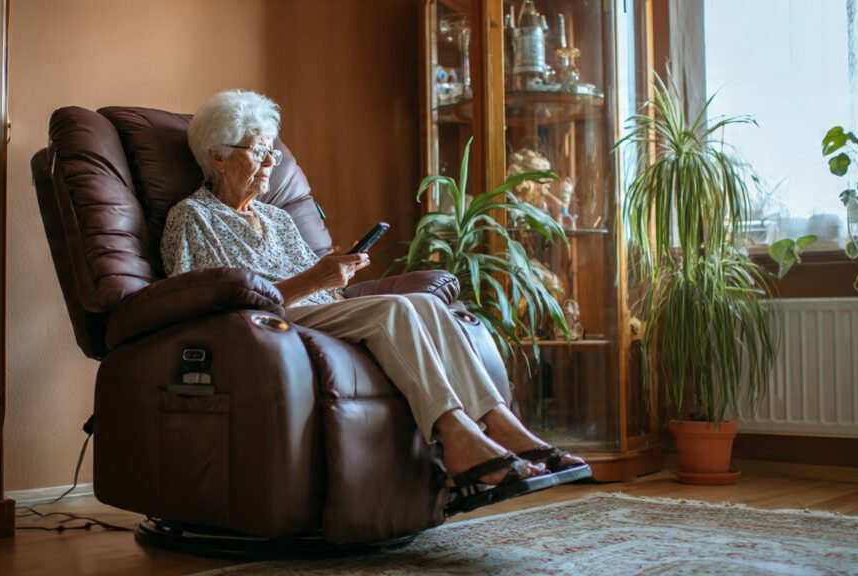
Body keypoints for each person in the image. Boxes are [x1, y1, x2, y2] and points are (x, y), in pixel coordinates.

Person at [161, 90, 583, 494]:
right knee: (393, 311)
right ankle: (458, 440)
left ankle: (501, 423)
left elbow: (323, 289)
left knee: (422, 302)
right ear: (216, 155)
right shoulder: (192, 216)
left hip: (321, 311)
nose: (272, 161)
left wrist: (335, 276)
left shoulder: (276, 217)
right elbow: (200, 301)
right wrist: (314, 281)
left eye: (273, 150)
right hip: (269, 323)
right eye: (258, 151)